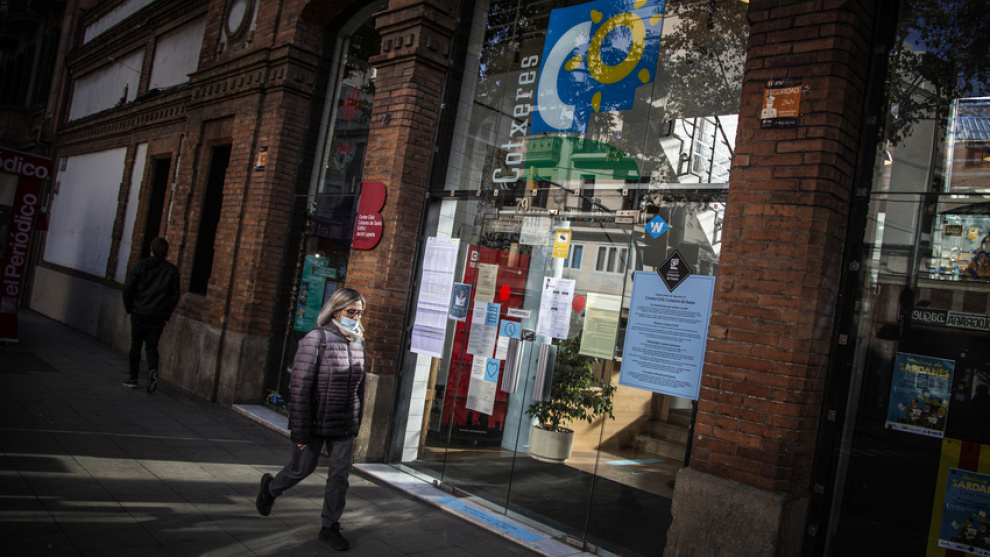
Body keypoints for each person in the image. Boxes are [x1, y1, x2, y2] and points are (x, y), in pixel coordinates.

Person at [256, 287, 367, 551]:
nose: (356, 318)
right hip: (315, 420)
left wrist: (356, 421)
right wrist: (300, 431)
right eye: (351, 312)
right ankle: (271, 488)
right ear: (336, 311)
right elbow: (300, 388)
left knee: (339, 476)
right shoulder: (316, 340)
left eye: (360, 313)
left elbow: (360, 388)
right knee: (301, 468)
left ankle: (330, 526)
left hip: (343, 423)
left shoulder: (359, 342)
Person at [122, 237, 180, 392]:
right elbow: (174, 295)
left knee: (136, 344)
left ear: (151, 249)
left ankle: (133, 378)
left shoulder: (141, 265)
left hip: (140, 311)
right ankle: (152, 370)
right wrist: (166, 313)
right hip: (158, 315)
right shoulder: (171, 270)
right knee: (152, 345)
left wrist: (130, 307)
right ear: (166, 252)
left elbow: (128, 288)